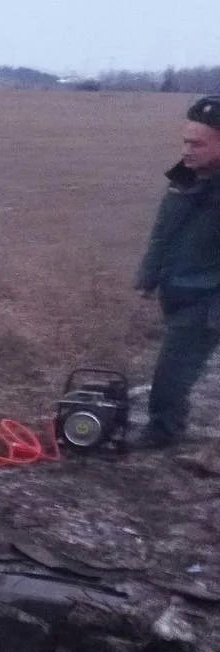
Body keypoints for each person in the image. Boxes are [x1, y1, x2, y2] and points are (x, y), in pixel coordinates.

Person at [132, 95, 220, 450]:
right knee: (178, 369)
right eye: (185, 140)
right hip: (177, 290)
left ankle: (161, 434)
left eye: (197, 143)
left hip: (207, 299)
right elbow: (163, 230)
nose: (187, 150)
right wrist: (148, 277)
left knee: (171, 372)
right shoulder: (184, 177)